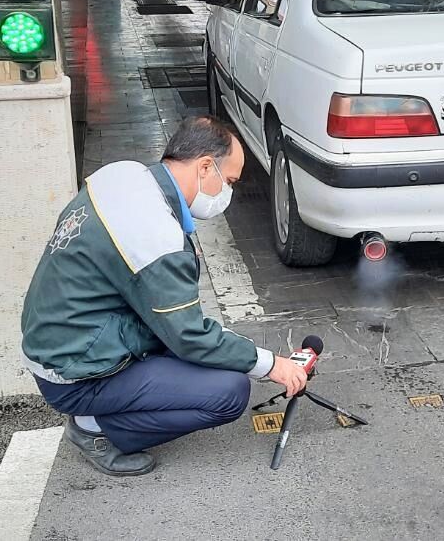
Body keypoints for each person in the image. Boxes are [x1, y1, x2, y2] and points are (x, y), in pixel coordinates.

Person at [21, 117, 308, 476]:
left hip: (63, 341)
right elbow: (188, 335)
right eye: (229, 181)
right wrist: (271, 364)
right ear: (205, 166)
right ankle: (93, 428)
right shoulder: (155, 235)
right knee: (230, 391)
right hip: (77, 373)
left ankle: (105, 408)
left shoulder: (124, 175)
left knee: (212, 358)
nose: (228, 193)